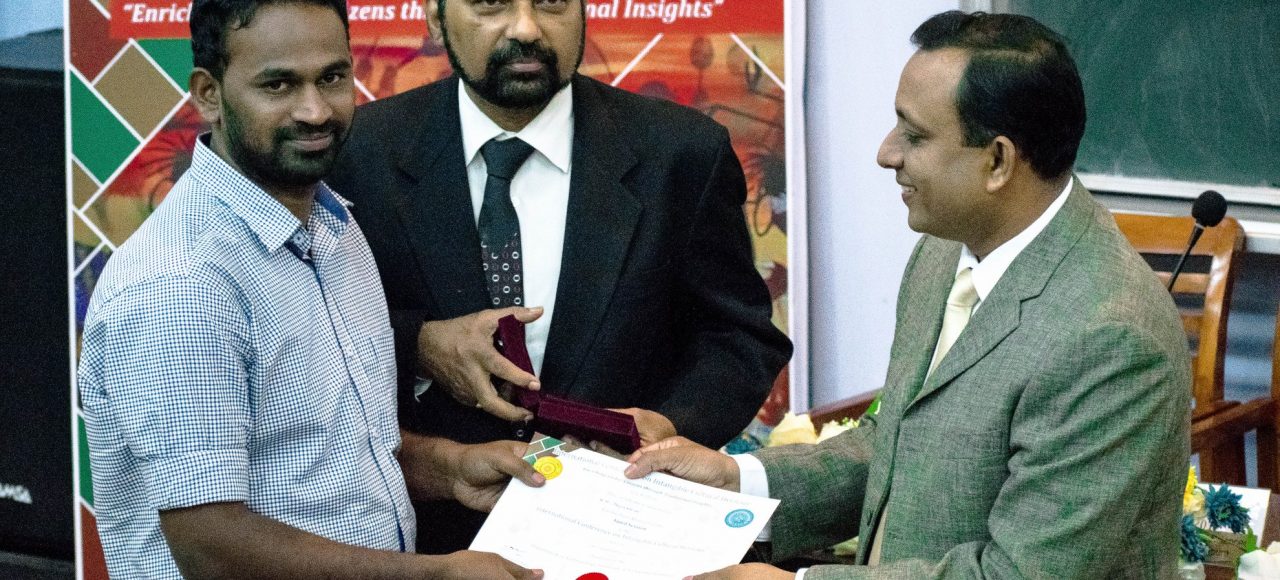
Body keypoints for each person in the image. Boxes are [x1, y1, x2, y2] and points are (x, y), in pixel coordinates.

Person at [626, 11, 1191, 579]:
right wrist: (736, 481)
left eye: (915, 136)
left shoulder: (1111, 337)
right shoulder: (942, 250)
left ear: (998, 161)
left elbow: (1019, 573)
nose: (886, 153)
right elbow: (897, 444)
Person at [77, 1, 544, 577]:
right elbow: (211, 547)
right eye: (278, 85)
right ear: (208, 95)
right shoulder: (179, 286)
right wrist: (435, 574)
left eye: (332, 77)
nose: (316, 110)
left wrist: (451, 469)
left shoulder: (335, 227)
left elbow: (331, 453)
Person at [326, 0, 793, 553]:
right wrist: (420, 346)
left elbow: (738, 336)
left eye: (552, 3)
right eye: (491, 4)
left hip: (624, 531)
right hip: (424, 541)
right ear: (435, 17)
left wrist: (669, 425)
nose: (526, 29)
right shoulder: (355, 154)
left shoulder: (680, 152)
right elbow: (309, 337)